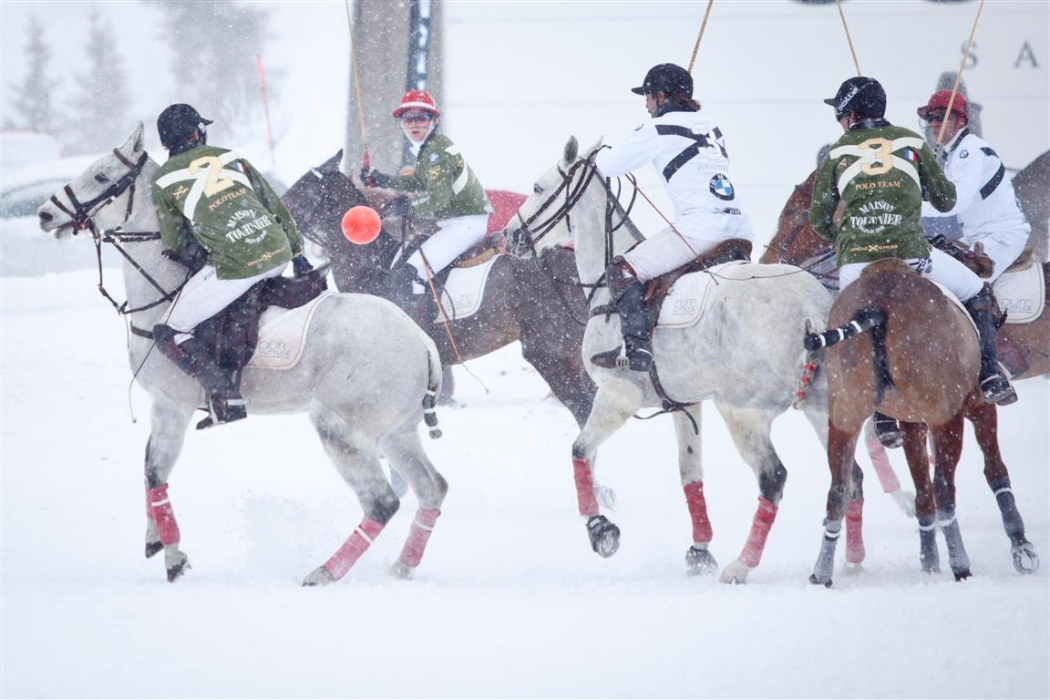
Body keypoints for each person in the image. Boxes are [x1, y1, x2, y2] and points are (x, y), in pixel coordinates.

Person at [809, 77, 1016, 447]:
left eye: (840, 113)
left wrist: (848, 237)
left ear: (852, 114)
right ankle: (988, 373)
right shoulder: (911, 141)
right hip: (911, 254)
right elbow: (944, 199)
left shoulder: (839, 151)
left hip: (857, 262)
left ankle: (880, 413)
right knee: (976, 288)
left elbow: (818, 220)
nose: (840, 121)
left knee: (844, 318)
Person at [151, 103, 312, 429]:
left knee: (168, 330)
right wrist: (297, 254)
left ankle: (225, 396)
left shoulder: (163, 180)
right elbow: (274, 205)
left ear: (167, 143)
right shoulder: (230, 156)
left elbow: (175, 241)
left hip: (239, 265)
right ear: (197, 132)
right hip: (277, 252)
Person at [589, 62, 754, 371]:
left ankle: (636, 348)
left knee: (623, 269)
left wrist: (596, 154)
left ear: (662, 97)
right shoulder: (711, 125)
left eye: (648, 96)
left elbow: (610, 165)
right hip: (741, 229)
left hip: (701, 230)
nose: (646, 104)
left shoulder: (656, 128)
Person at [361, 90, 491, 323]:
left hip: (465, 225)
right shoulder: (430, 148)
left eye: (421, 118)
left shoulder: (436, 153)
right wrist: (382, 179)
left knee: (408, 275)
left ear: (433, 121)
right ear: (401, 123)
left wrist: (408, 205)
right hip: (458, 221)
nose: (414, 124)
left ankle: (417, 331)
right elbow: (418, 182)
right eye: (408, 119)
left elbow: (438, 198)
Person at [917, 90, 1031, 283]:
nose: (934, 124)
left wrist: (912, 207)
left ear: (959, 120)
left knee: (965, 284)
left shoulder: (970, 150)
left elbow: (956, 203)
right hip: (973, 236)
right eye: (930, 118)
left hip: (1001, 236)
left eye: (940, 117)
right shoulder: (952, 154)